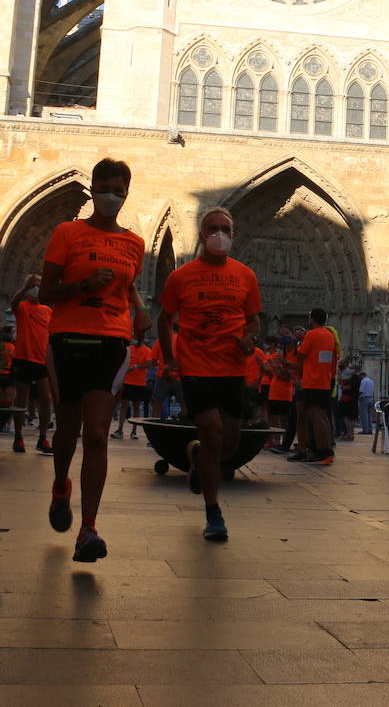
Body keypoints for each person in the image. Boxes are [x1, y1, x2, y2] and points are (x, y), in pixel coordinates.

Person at [40, 158, 150, 562]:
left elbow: (130, 284)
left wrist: (139, 308)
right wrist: (84, 284)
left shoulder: (134, 243)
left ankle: (88, 529)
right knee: (67, 428)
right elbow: (45, 293)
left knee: (98, 433)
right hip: (67, 338)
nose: (112, 195)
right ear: (93, 188)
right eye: (105, 186)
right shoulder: (67, 233)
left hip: (112, 342)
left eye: (119, 188)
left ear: (126, 191)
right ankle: (59, 485)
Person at [157, 207, 262, 541]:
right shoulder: (181, 276)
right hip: (196, 366)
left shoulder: (246, 276)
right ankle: (213, 512)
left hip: (232, 368)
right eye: (213, 228)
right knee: (214, 432)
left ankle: (198, 456)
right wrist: (170, 358)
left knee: (227, 443)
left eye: (226, 229)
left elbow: (254, 319)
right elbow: (164, 319)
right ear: (202, 235)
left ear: (233, 234)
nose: (220, 234)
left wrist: (250, 339)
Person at [10, 273, 54, 454]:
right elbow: (13, 303)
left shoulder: (47, 311)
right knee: (21, 399)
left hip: (41, 361)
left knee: (46, 400)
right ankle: (18, 437)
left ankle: (43, 437)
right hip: (23, 358)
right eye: (34, 286)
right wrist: (25, 287)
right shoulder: (21, 306)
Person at [296, 309, 339, 464]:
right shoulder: (329, 335)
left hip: (312, 381)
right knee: (322, 416)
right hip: (324, 381)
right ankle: (326, 450)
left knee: (315, 417)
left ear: (311, 318)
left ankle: (323, 452)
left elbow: (301, 355)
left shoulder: (312, 334)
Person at [114, 337, 154, 439]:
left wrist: (136, 367)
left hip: (139, 383)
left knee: (136, 407)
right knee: (124, 406)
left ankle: (134, 431)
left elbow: (150, 363)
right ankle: (120, 430)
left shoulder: (147, 351)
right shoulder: (128, 349)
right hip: (127, 381)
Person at [269, 327, 299, 453]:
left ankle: (288, 444)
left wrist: (278, 367)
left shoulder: (296, 352)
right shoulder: (285, 353)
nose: (283, 336)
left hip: (290, 390)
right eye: (281, 334)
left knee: (288, 419)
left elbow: (288, 376)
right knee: (277, 417)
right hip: (278, 390)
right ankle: (281, 443)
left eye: (286, 333)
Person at [149, 330, 182, 419]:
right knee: (184, 405)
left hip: (162, 376)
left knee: (157, 406)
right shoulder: (182, 339)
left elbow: (153, 361)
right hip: (179, 376)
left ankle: (153, 429)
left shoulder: (160, 340)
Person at [357, 369, 376, 435]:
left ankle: (365, 430)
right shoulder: (371, 381)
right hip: (370, 398)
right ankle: (370, 430)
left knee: (364, 415)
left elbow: (361, 391)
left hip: (364, 399)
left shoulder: (363, 381)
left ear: (362, 375)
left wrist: (357, 396)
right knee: (369, 415)